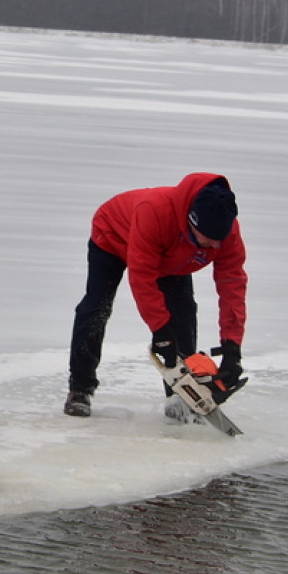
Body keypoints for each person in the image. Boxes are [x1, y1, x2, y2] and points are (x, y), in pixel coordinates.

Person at [64, 172, 247, 419]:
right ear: (192, 223)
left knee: (183, 315)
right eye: (210, 241)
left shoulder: (226, 234)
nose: (216, 248)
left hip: (172, 256)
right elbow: (142, 277)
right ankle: (80, 388)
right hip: (112, 235)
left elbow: (232, 286)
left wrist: (232, 346)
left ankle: (180, 394)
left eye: (220, 241)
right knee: (97, 307)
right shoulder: (154, 211)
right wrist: (160, 331)